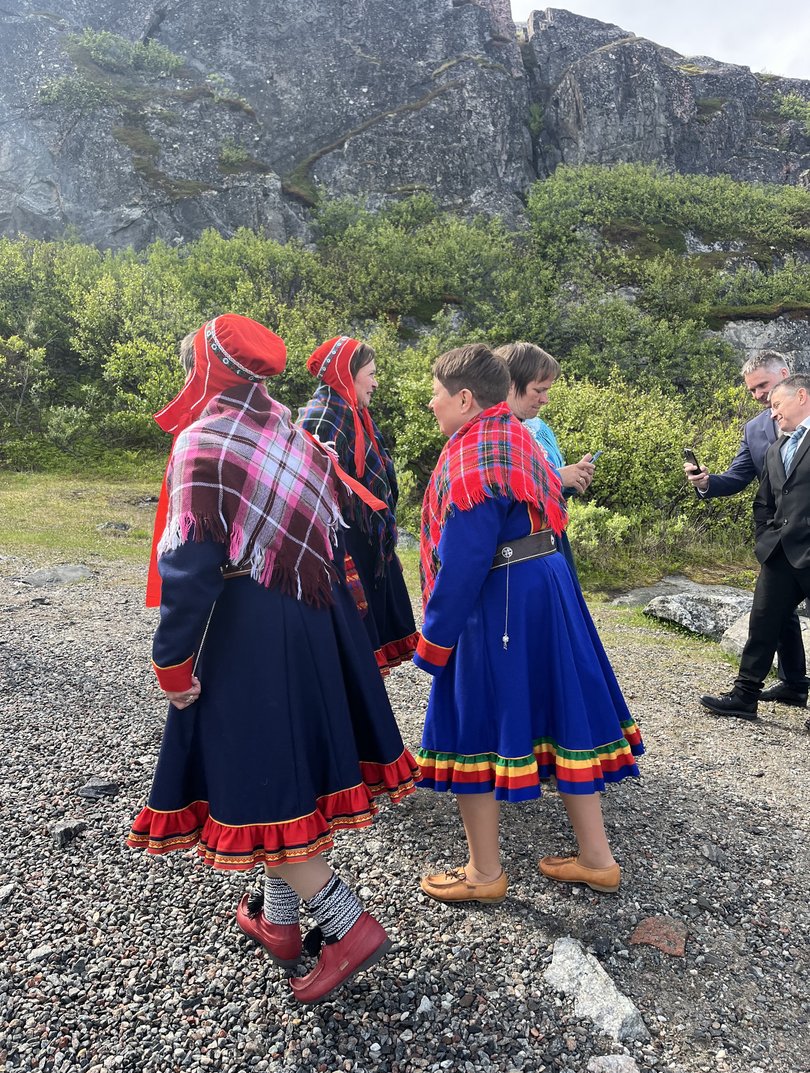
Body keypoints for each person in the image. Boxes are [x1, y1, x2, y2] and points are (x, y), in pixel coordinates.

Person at [128, 314, 420, 1005]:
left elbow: (190, 567)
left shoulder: (204, 443)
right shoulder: (287, 430)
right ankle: (279, 923)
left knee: (256, 775)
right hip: (314, 620)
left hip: (251, 631)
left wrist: (172, 663)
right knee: (286, 777)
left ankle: (348, 928)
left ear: (206, 371)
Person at [412, 344, 644, 903]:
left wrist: (435, 638)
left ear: (464, 399)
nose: (431, 403)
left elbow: (465, 561)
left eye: (437, 393)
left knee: (471, 723)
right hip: (543, 584)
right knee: (565, 715)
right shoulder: (514, 435)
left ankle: (484, 873)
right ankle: (597, 860)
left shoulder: (473, 454)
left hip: (502, 597)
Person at [685, 352, 807, 704]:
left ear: (786, 377)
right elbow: (744, 481)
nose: (758, 397)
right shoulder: (756, 430)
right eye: (752, 390)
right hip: (779, 542)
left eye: (763, 387)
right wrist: (706, 482)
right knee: (768, 616)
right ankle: (775, 688)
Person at [298, 336, 418, 675]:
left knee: (370, 651)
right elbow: (313, 494)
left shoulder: (354, 413)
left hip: (366, 541)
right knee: (355, 652)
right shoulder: (321, 418)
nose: (375, 382)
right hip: (345, 546)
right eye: (371, 373)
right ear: (346, 374)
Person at [496, 341, 596, 573]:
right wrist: (557, 478)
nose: (545, 399)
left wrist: (571, 481)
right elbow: (502, 493)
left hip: (549, 547)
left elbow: (543, 493)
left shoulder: (539, 429)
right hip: (516, 563)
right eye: (538, 390)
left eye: (547, 390)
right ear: (510, 385)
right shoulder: (493, 434)